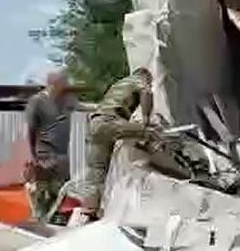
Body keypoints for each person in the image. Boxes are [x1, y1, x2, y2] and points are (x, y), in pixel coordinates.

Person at [80, 68, 155, 216]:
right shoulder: (139, 80)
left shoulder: (119, 84)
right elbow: (146, 92)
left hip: (95, 124)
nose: (150, 84)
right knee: (151, 133)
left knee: (96, 170)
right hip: (111, 121)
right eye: (150, 81)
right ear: (145, 76)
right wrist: (146, 119)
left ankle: (89, 209)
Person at [23, 71, 77, 223]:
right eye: (64, 84)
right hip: (44, 155)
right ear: (53, 84)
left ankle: (55, 224)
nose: (66, 87)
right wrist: (32, 157)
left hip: (61, 157)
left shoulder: (66, 101)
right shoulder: (37, 102)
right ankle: (39, 224)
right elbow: (30, 130)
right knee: (41, 196)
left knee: (60, 196)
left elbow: (83, 107)